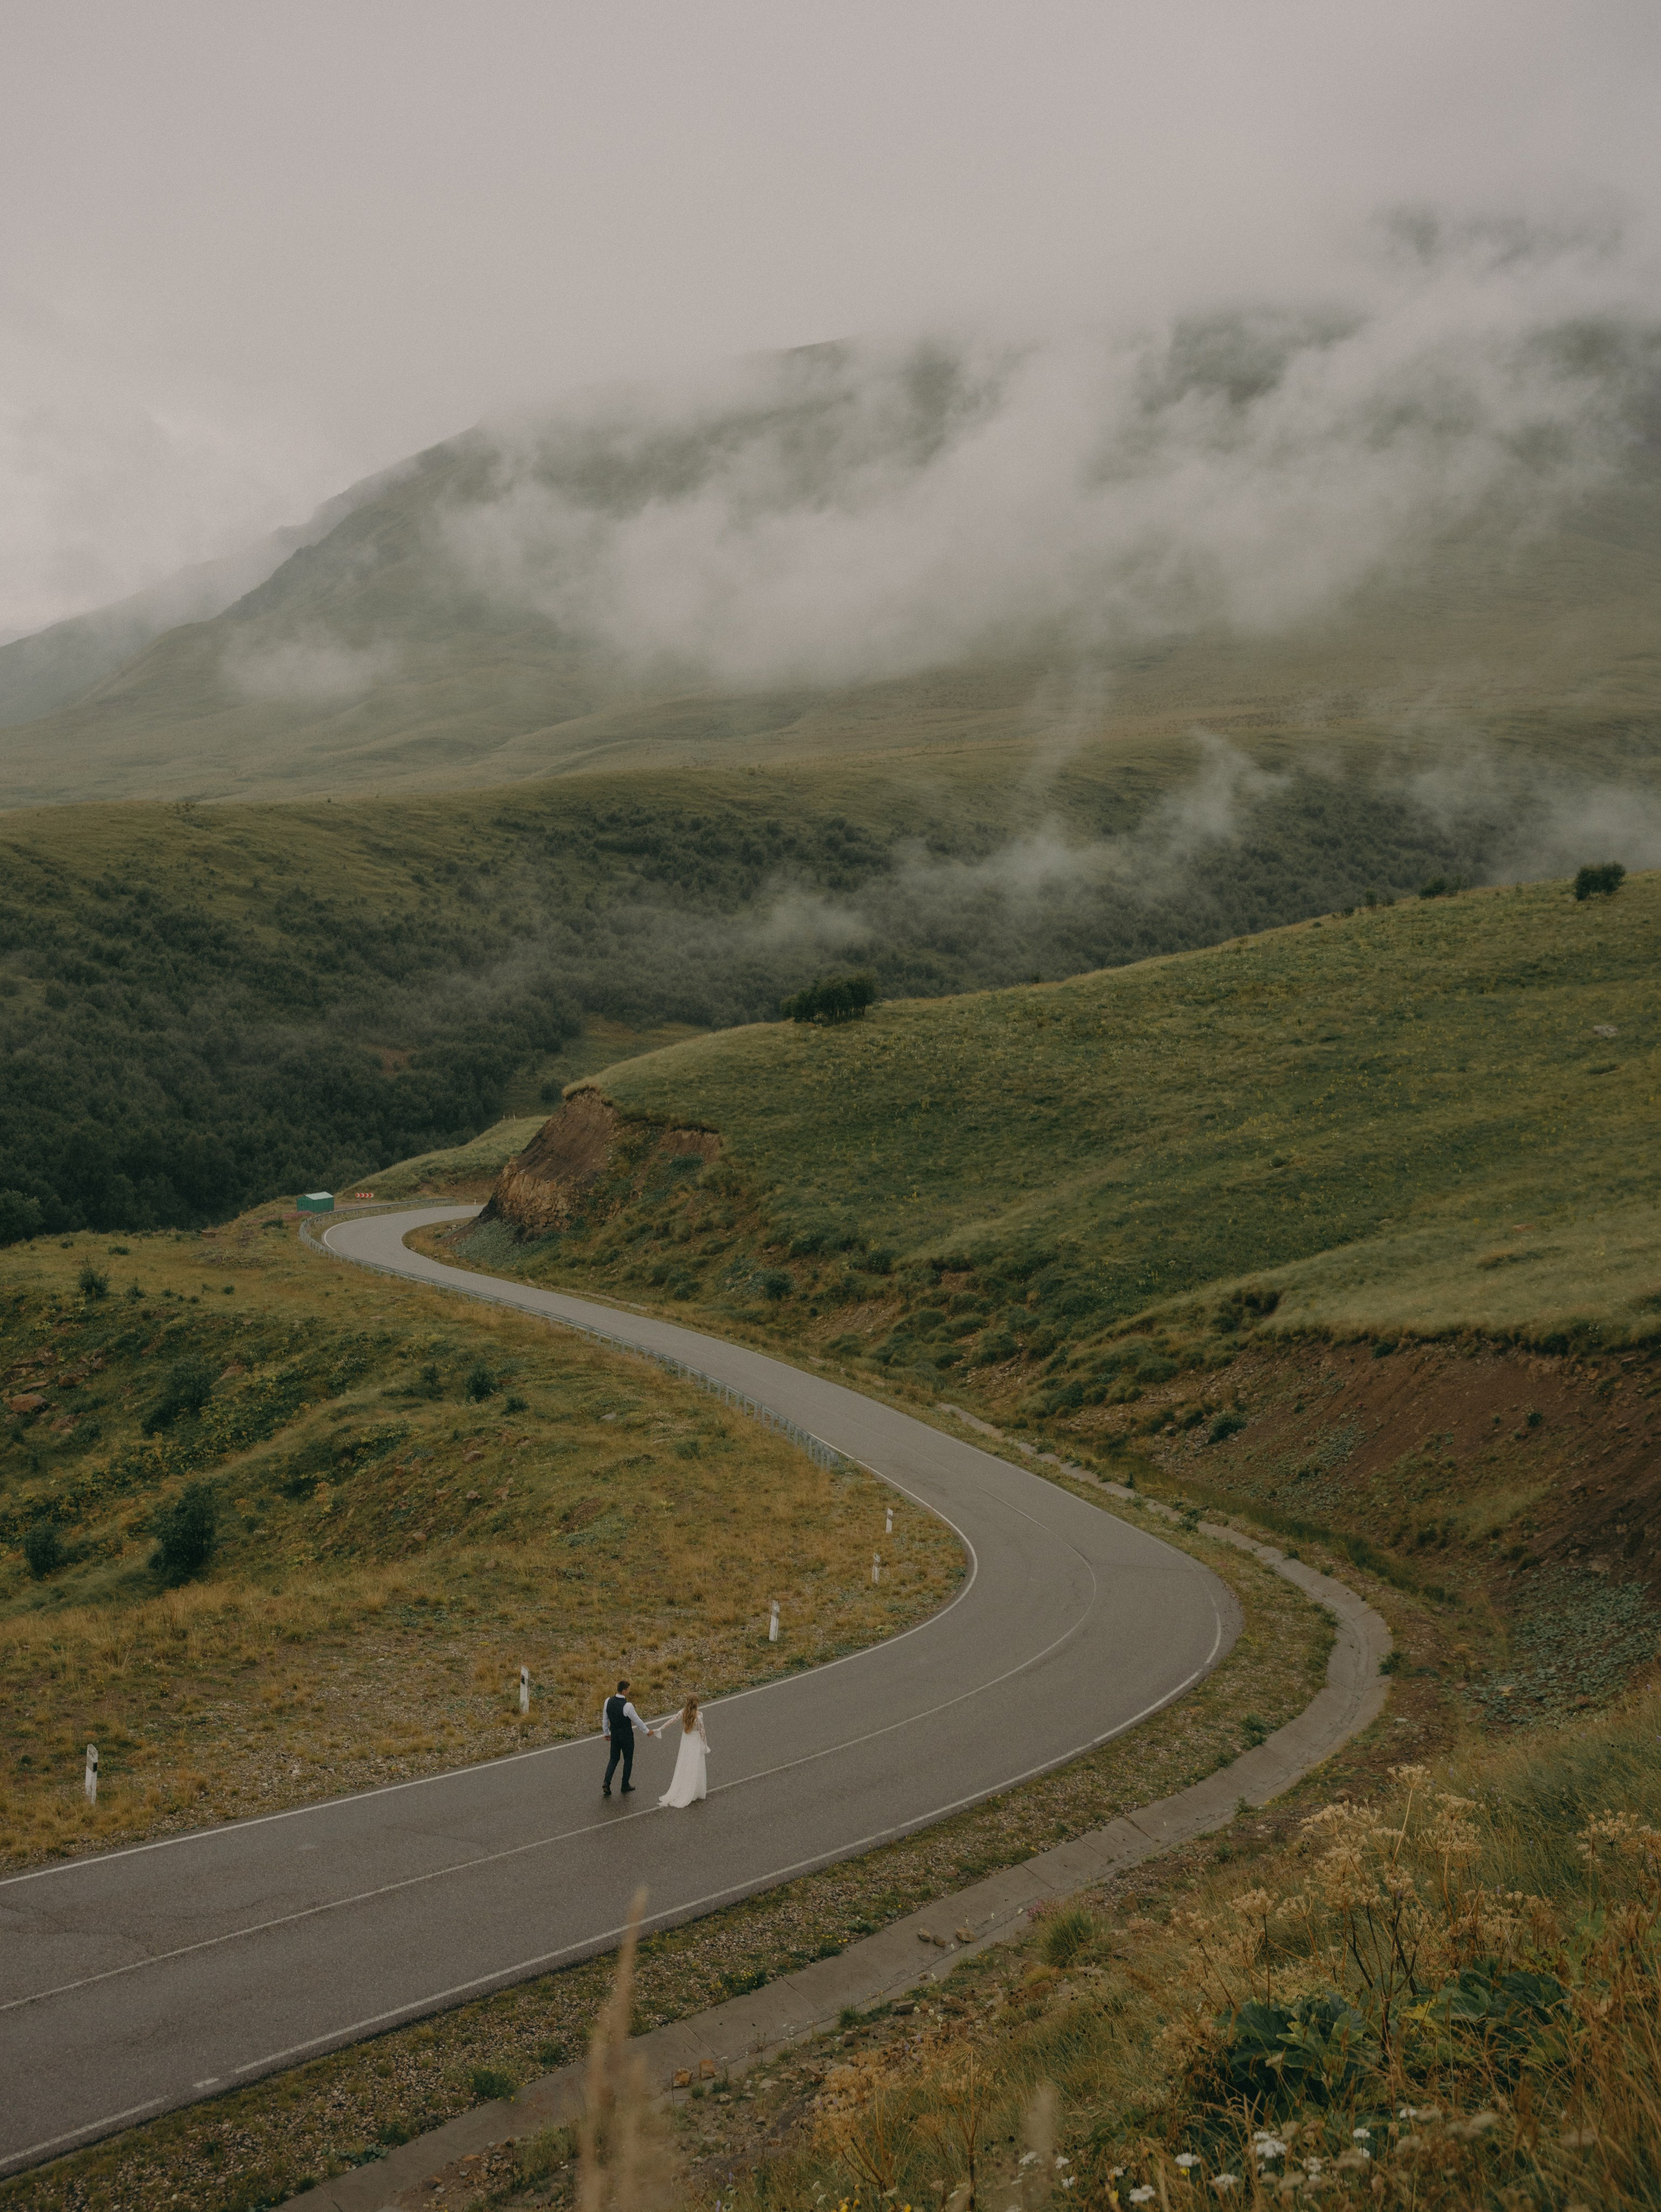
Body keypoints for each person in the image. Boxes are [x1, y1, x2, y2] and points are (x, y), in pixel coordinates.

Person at [601, 1678, 658, 1796]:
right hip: (626, 1737)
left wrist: (606, 1733)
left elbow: (605, 1719)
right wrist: (647, 1731)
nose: (629, 1691)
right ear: (624, 1691)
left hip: (615, 1735)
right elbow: (637, 1720)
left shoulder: (608, 1701)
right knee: (628, 1759)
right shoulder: (627, 1706)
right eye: (628, 1690)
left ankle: (607, 1782)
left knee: (614, 1759)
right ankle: (625, 1784)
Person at [658, 1694, 710, 1809]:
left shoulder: (683, 1712)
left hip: (686, 1740)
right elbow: (702, 1732)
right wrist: (705, 1745)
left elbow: (671, 1721)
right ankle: (694, 1790)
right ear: (697, 1702)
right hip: (695, 1741)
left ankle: (684, 1787)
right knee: (695, 1765)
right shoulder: (699, 1715)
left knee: (685, 1764)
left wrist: (660, 1729)